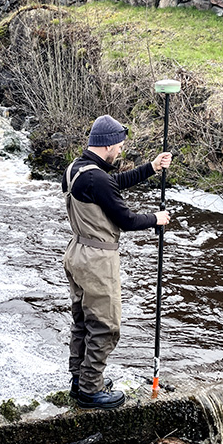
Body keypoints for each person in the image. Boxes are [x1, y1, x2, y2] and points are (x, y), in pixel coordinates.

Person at [62, 114, 171, 410]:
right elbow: (125, 219)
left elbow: (111, 186)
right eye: (120, 145)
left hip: (76, 252)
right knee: (106, 326)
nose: (121, 150)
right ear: (108, 145)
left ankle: (79, 378)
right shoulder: (96, 177)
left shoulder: (77, 169)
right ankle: (90, 389)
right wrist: (156, 219)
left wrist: (151, 168)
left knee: (83, 321)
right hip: (98, 259)